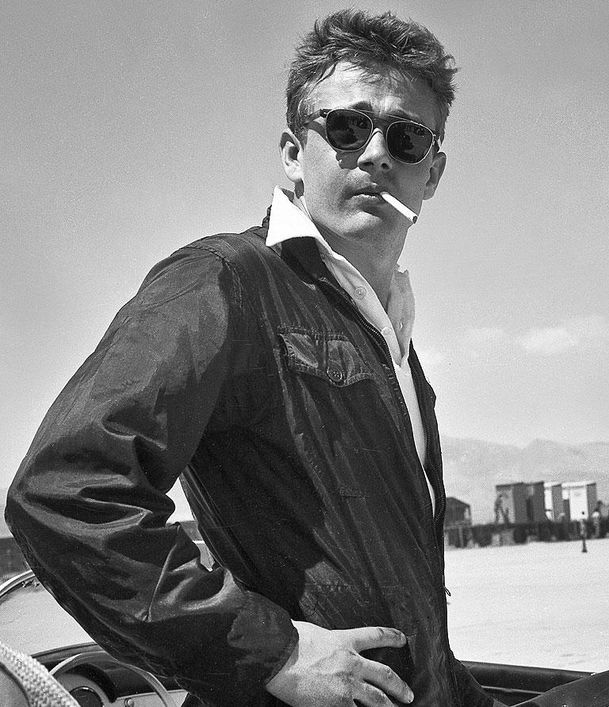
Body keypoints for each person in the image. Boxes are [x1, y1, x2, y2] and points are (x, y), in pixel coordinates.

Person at [5, 9, 498, 707]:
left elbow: (400, 601)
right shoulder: (226, 282)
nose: (375, 154)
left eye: (406, 136)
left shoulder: (390, 340)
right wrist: (271, 650)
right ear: (294, 153)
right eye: (346, 126)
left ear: (433, 170)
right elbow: (65, 492)